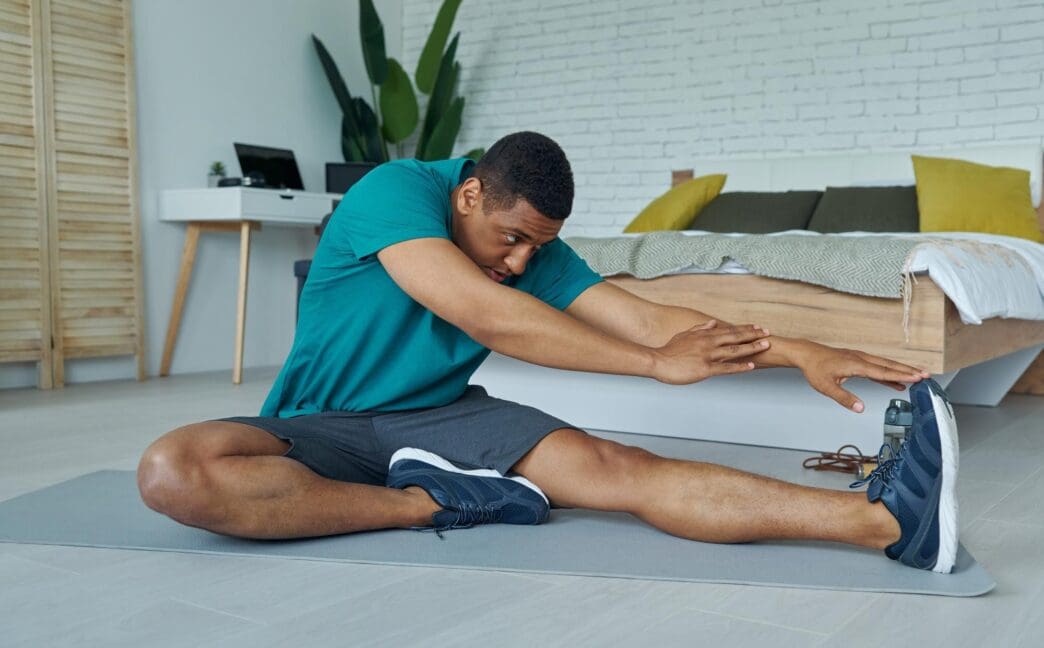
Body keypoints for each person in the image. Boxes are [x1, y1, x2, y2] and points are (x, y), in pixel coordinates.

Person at [138, 132, 959, 574]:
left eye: (540, 247)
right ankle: (435, 504)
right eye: (512, 239)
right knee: (175, 470)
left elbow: (649, 320)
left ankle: (881, 521)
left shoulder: (534, 250)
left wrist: (805, 348)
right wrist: (652, 365)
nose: (523, 262)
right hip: (325, 428)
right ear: (467, 195)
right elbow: (485, 314)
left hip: (443, 417)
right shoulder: (392, 194)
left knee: (616, 467)